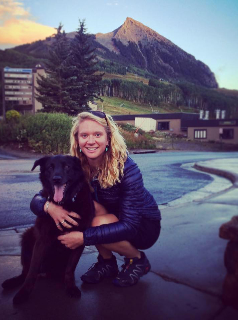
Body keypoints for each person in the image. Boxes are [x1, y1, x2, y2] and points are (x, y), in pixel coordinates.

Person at [30, 111, 161, 287]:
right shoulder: (75, 166)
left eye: (97, 134)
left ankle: (137, 260)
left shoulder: (127, 169)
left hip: (142, 225)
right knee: (89, 210)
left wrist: (84, 237)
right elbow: (40, 197)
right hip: (111, 218)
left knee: (94, 222)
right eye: (84, 135)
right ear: (77, 139)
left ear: (108, 138)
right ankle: (107, 263)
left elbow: (130, 225)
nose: (90, 141)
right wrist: (49, 207)